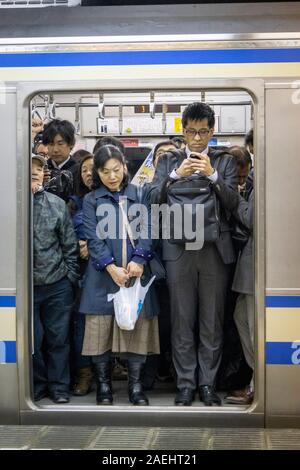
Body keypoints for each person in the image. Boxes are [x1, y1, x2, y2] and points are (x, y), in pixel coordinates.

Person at [150, 102, 239, 406]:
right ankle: (186, 384)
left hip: (214, 249)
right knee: (182, 319)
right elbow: (150, 198)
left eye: (203, 132)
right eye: (191, 132)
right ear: (183, 131)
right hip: (178, 248)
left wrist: (213, 176)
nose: (198, 139)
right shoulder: (167, 161)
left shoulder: (224, 162)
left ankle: (208, 384)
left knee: (212, 321)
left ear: (212, 131)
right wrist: (174, 175)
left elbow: (233, 205)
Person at [79, 144, 160, 406]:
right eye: (105, 172)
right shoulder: (92, 200)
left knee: (137, 329)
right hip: (103, 276)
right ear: (97, 173)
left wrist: (140, 259)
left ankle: (135, 387)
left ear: (125, 167)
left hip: (136, 274)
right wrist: (110, 267)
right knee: (99, 330)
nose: (112, 176)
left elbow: (150, 228)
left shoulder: (140, 193)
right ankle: (104, 387)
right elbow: (92, 236)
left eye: (116, 170)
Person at [31, 154, 79, 404]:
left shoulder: (55, 204)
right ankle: (38, 385)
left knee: (59, 340)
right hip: (26, 288)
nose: (34, 174)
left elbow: (69, 244)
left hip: (57, 284)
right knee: (33, 340)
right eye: (29, 170)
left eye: (38, 170)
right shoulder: (10, 204)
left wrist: (69, 276)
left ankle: (60, 387)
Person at [68, 153, 94, 396]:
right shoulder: (73, 202)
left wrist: (94, 246)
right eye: (84, 169)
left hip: (111, 268)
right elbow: (64, 237)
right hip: (82, 270)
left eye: (93, 168)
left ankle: (106, 371)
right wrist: (78, 244)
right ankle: (84, 373)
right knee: (81, 324)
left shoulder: (119, 198)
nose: (88, 172)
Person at [225, 187, 254, 405]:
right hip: (251, 269)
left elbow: (251, 218)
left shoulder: (265, 177)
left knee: (255, 328)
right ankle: (258, 379)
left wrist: (235, 198)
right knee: (241, 316)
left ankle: (259, 384)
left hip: (257, 270)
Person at [42, 119, 78, 200]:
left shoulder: (79, 171)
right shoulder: (41, 170)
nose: (55, 149)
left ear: (71, 144)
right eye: (51, 144)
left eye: (60, 144)